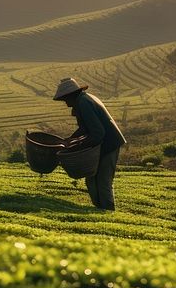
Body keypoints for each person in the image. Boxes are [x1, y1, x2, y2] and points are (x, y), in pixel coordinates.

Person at [54, 76, 126, 211]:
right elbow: (84, 129)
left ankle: (108, 212)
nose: (65, 103)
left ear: (71, 95)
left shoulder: (84, 103)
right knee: (92, 180)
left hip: (108, 145)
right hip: (102, 145)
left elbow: (98, 133)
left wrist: (78, 146)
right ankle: (99, 209)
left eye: (65, 99)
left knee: (103, 181)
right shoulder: (83, 100)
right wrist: (69, 140)